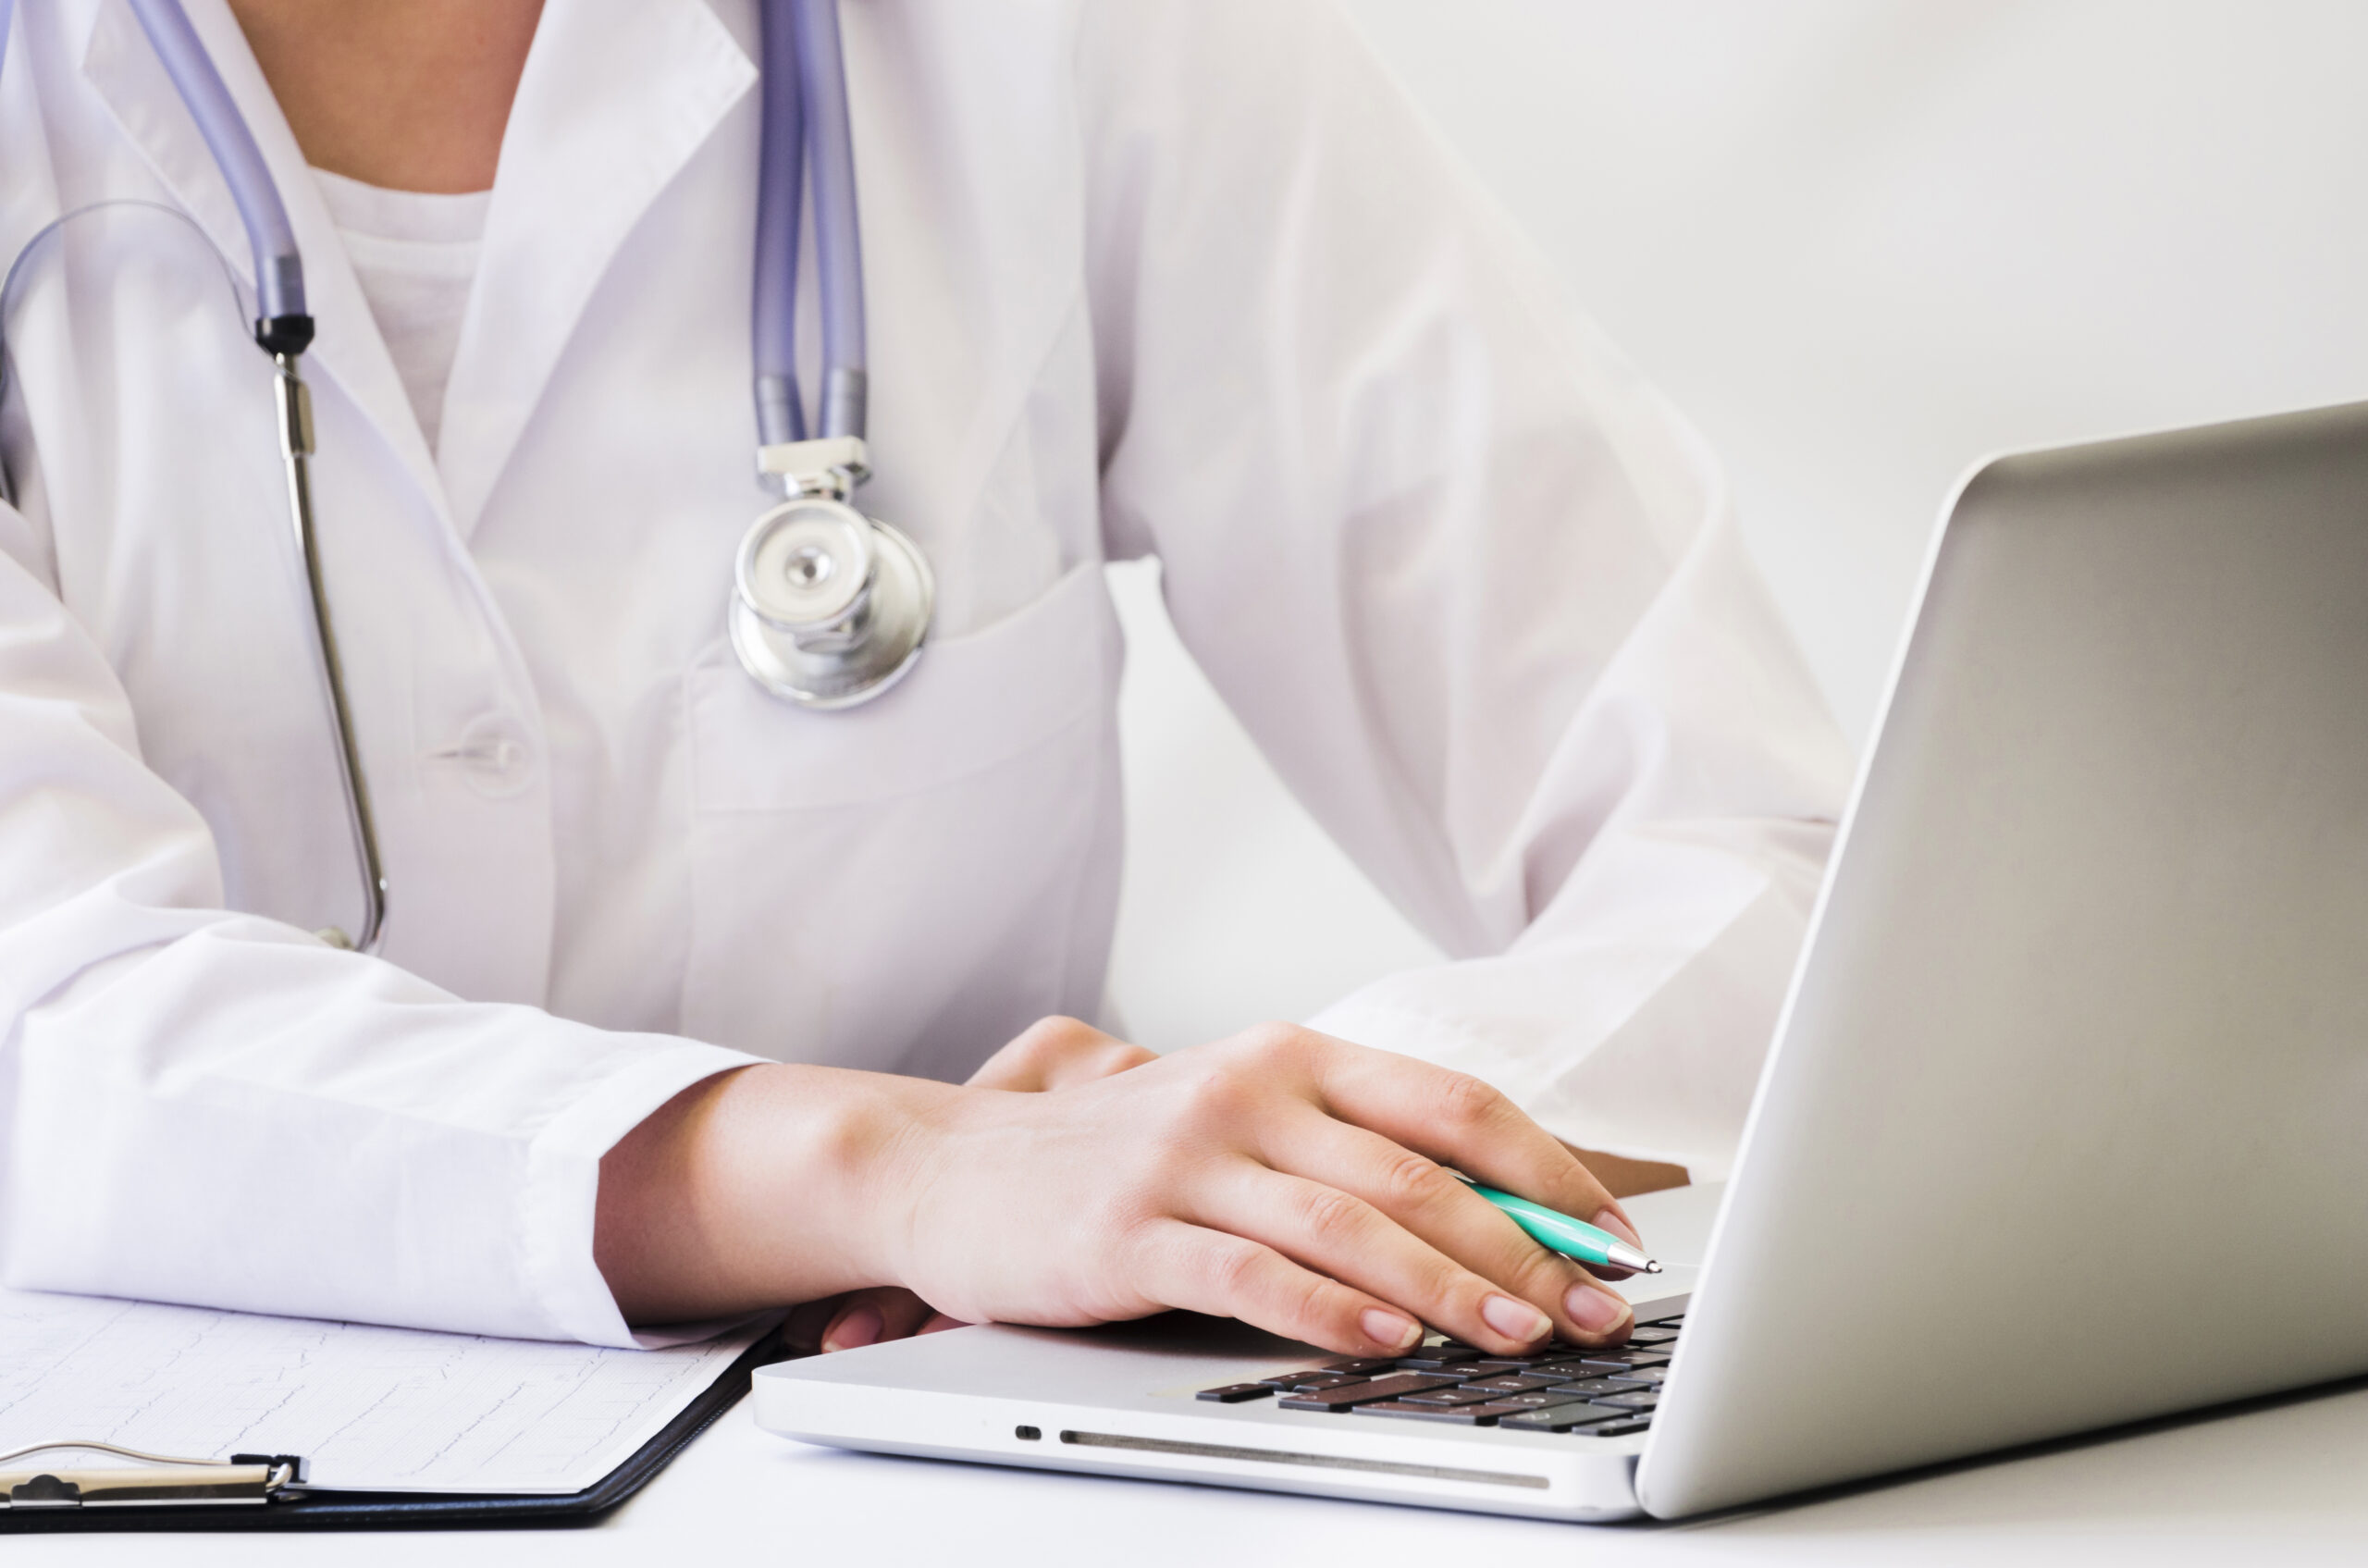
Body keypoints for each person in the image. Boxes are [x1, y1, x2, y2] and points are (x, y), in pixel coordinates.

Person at [0, 0, 1848, 1361]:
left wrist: (1267, 1183)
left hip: (965, 1465)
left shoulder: (1075, 40)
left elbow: (1745, 847)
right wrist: (894, 1169)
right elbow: (44, 1033)